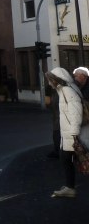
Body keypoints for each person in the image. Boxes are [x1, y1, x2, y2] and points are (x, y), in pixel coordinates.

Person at [45, 67, 84, 198]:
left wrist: (74, 135)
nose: (49, 82)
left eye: (50, 79)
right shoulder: (64, 89)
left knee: (67, 159)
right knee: (68, 159)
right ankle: (69, 187)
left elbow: (75, 112)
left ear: (57, 79)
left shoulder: (67, 90)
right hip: (68, 134)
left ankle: (70, 188)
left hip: (71, 134)